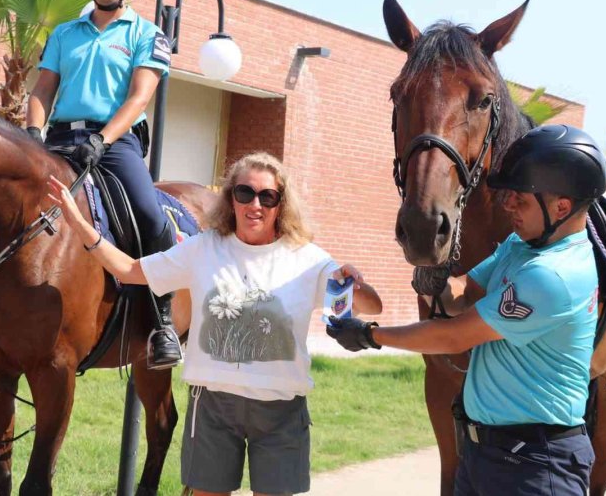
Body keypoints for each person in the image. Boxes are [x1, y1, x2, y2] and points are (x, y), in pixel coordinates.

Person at [47, 151, 382, 496]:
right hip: (213, 407)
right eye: (245, 193)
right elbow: (130, 271)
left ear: (281, 205)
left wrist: (354, 280)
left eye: (268, 196)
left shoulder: (307, 258)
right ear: (230, 199)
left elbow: (372, 305)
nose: (256, 204)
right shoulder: (203, 248)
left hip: (280, 410)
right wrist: (80, 225)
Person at [328, 125, 606, 496]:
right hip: (484, 453)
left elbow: (455, 334)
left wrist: (369, 334)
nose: (508, 207)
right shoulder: (522, 245)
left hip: (535, 466)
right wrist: (430, 269)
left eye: (520, 200)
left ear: (561, 207)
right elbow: (464, 294)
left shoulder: (554, 274)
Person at [25, 0, 181, 369]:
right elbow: (42, 90)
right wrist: (34, 134)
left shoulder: (147, 34)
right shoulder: (64, 34)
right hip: (58, 138)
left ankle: (162, 322)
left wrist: (103, 138)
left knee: (150, 215)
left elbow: (138, 98)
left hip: (115, 142)